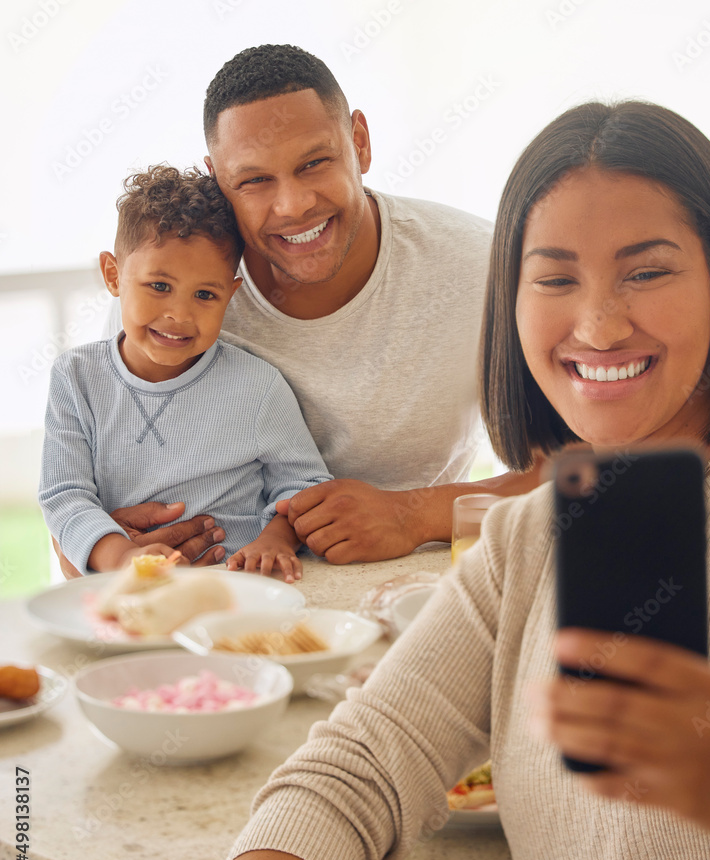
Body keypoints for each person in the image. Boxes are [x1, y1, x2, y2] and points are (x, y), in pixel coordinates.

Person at [181, 100, 710, 860]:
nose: (597, 325)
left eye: (647, 272)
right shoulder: (528, 542)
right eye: (554, 280)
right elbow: (355, 772)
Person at [93, 44, 541, 572]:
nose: (293, 205)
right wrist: (113, 545)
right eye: (255, 180)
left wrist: (413, 514)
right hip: (219, 608)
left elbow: (579, 470)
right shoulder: (171, 302)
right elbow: (76, 518)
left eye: (314, 163)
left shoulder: (482, 268)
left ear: (359, 142)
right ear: (218, 180)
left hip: (416, 605)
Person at [40, 165, 331, 580]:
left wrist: (277, 540)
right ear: (113, 275)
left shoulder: (257, 386)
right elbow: (64, 497)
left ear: (229, 296)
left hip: (237, 589)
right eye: (159, 286)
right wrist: (123, 558)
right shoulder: (76, 379)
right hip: (129, 595)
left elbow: (305, 486)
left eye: (204, 294)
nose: (179, 315)